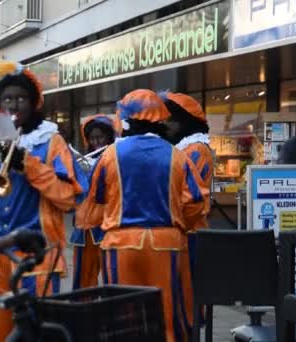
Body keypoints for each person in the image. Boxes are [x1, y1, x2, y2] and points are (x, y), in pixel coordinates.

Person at [0, 60, 87, 342]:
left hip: (36, 260)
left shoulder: (51, 142)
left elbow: (68, 200)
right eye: (7, 99)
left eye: (21, 98)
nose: (14, 105)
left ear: (34, 102)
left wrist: (29, 165)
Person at [76, 89, 209, 342]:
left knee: (124, 319)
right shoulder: (177, 155)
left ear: (127, 120)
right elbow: (195, 202)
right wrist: (179, 225)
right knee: (167, 313)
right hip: (166, 244)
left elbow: (95, 199)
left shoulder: (110, 155)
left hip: (121, 245)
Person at [163, 92, 213, 329]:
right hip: (183, 232)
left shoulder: (196, 150)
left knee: (188, 297)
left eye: (171, 120)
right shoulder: (185, 148)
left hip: (192, 233)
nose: (167, 124)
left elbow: (192, 196)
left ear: (184, 122)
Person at [70, 114, 116, 290]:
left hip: (106, 226)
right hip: (83, 228)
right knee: (82, 280)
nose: (96, 141)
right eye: (92, 137)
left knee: (110, 278)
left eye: (100, 136)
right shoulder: (83, 160)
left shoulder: (116, 158)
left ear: (109, 137)